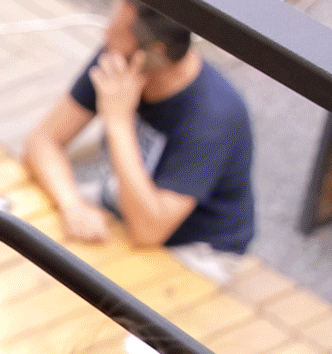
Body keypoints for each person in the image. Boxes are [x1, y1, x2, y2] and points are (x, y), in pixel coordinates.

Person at [23, 1, 255, 282]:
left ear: (154, 54)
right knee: (29, 242)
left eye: (116, 35)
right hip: (122, 203)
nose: (106, 37)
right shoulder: (121, 56)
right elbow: (43, 141)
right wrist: (72, 206)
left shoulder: (214, 117)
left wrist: (118, 121)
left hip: (194, 250)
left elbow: (148, 231)